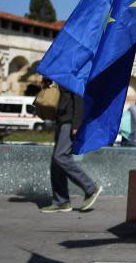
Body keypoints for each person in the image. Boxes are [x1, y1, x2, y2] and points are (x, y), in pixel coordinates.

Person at [41, 82, 103, 213]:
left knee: (60, 156)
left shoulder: (72, 74)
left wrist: (76, 124)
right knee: (56, 163)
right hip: (61, 120)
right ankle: (61, 201)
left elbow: (79, 98)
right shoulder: (57, 74)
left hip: (69, 121)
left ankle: (90, 188)